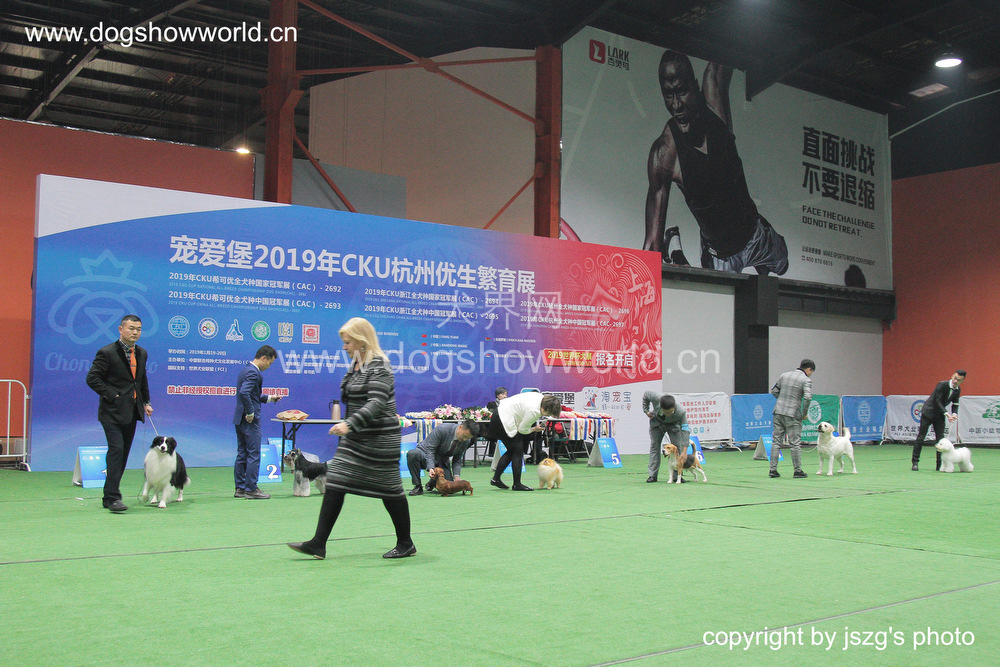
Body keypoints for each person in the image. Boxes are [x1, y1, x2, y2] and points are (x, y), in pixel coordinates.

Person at [644, 50, 788, 276]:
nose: (676, 105)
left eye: (682, 92)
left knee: (783, 266)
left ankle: (762, 265)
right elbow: (652, 245)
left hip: (756, 234)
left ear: (695, 87)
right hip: (722, 256)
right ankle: (675, 248)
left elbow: (727, 45)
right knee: (726, 298)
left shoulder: (714, 101)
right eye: (668, 95)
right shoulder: (664, 155)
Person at [288, 317, 415, 559]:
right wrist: (350, 425)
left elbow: (377, 403)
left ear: (362, 341)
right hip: (356, 438)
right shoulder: (356, 364)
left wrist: (349, 423)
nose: (344, 347)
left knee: (390, 489)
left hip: (379, 439)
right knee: (335, 481)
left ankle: (406, 543)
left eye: (348, 342)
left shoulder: (379, 366)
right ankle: (318, 543)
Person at [85, 314, 154, 513]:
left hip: (132, 411)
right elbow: (92, 378)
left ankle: (108, 496)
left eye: (138, 329)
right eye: (131, 328)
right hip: (111, 412)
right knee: (116, 450)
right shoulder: (107, 352)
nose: (135, 332)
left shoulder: (141, 353)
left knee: (122, 455)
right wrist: (113, 395)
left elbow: (141, 380)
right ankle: (113, 498)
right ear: (121, 329)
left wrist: (146, 402)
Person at [233, 345, 282, 499]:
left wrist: (270, 398)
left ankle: (240, 488)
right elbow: (244, 393)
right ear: (264, 358)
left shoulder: (245, 370)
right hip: (250, 420)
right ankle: (251, 489)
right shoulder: (254, 373)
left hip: (239, 418)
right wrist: (250, 412)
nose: (269, 366)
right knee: (253, 454)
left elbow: (252, 395)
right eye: (270, 363)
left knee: (242, 453)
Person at [487, 392, 562, 491]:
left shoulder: (540, 397)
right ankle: (516, 484)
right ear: (545, 408)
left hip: (499, 413)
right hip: (503, 420)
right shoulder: (534, 411)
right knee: (517, 451)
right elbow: (522, 430)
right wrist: (534, 429)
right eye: (548, 413)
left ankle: (496, 479)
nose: (547, 415)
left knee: (513, 450)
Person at [405, 419, 480, 495]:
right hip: (425, 454)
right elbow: (430, 450)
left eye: (467, 438)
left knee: (449, 489)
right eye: (464, 436)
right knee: (413, 454)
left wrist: (457, 476)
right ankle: (418, 486)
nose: (464, 439)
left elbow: (457, 458)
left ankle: (433, 482)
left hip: (442, 461)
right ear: (460, 427)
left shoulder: (466, 441)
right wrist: (431, 468)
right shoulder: (442, 429)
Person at [769, 359, 815, 478]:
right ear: (809, 369)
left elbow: (774, 391)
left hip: (778, 411)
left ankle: (772, 470)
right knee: (795, 443)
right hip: (793, 414)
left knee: (776, 442)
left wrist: (782, 400)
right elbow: (808, 397)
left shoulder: (784, 375)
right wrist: (804, 413)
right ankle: (797, 471)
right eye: (811, 372)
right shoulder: (806, 380)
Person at [912, 370, 966, 471]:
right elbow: (938, 401)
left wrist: (954, 414)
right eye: (955, 378)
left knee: (940, 440)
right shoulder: (942, 385)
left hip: (940, 415)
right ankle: (915, 462)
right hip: (928, 412)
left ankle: (939, 465)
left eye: (959, 380)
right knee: (921, 437)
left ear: (962, 381)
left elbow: (955, 403)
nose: (955, 381)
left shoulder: (957, 389)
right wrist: (947, 414)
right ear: (952, 376)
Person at [641, 392, 690, 483]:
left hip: (674, 425)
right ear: (660, 406)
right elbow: (646, 395)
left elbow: (685, 430)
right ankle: (652, 475)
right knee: (655, 447)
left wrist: (684, 451)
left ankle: (677, 476)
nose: (668, 414)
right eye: (666, 412)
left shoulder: (681, 412)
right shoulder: (656, 397)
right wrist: (646, 410)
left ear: (674, 406)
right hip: (657, 423)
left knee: (677, 448)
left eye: (670, 412)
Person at [484, 386, 508, 458]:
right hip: (494, 427)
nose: (505, 396)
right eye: (503, 394)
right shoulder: (491, 404)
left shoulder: (509, 404)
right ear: (497, 395)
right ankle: (493, 454)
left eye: (506, 394)